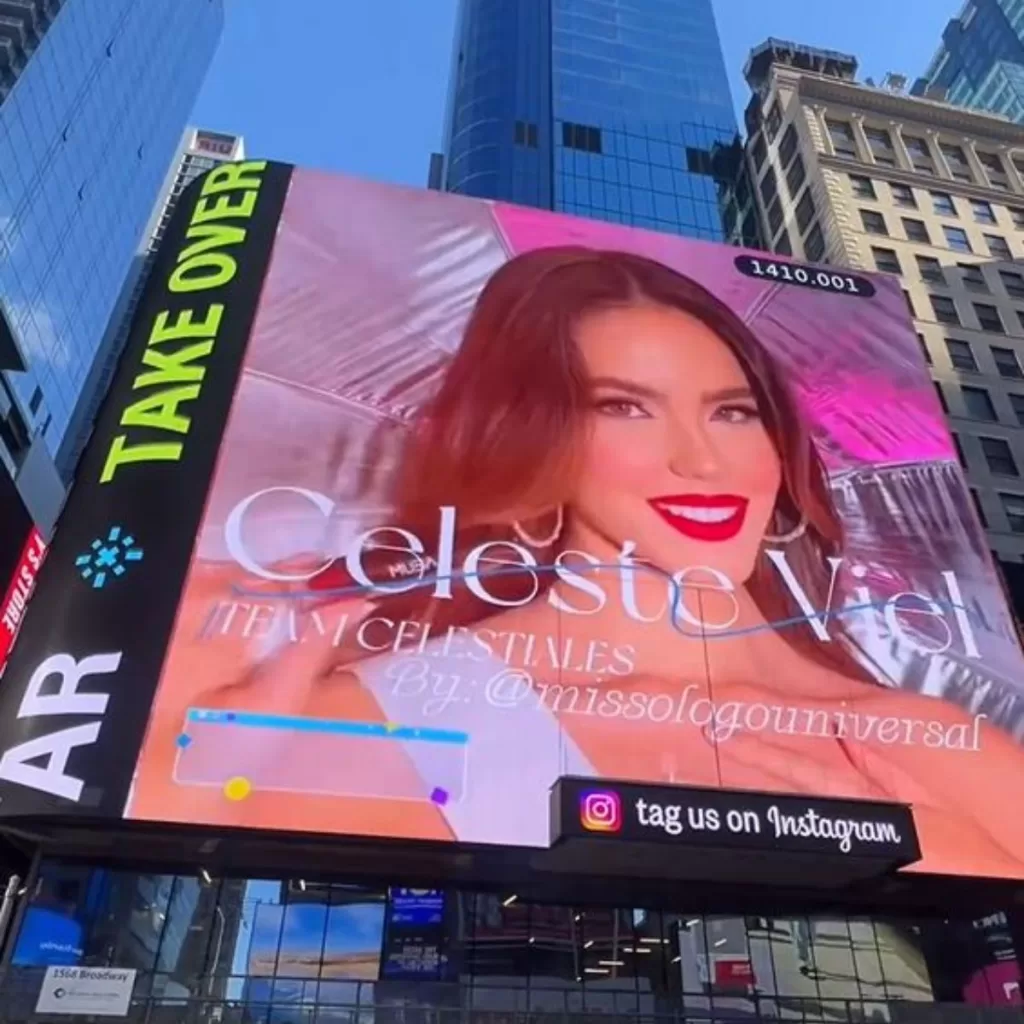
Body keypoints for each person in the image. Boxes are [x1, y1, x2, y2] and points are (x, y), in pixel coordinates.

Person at [178, 247, 1024, 876]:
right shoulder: (392, 710)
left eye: (733, 413)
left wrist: (924, 843)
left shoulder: (931, 738)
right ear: (533, 437)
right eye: (625, 407)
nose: (700, 462)